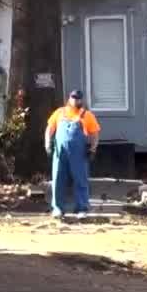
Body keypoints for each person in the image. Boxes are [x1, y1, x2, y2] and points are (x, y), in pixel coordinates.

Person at [45, 90, 101, 219]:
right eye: (74, 98)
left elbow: (95, 134)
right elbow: (49, 129)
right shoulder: (59, 113)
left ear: (82, 100)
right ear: (69, 99)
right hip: (60, 154)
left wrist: (93, 149)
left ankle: (82, 209)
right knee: (58, 179)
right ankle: (58, 209)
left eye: (78, 98)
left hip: (79, 154)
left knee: (80, 180)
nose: (76, 101)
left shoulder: (87, 115)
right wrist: (47, 144)